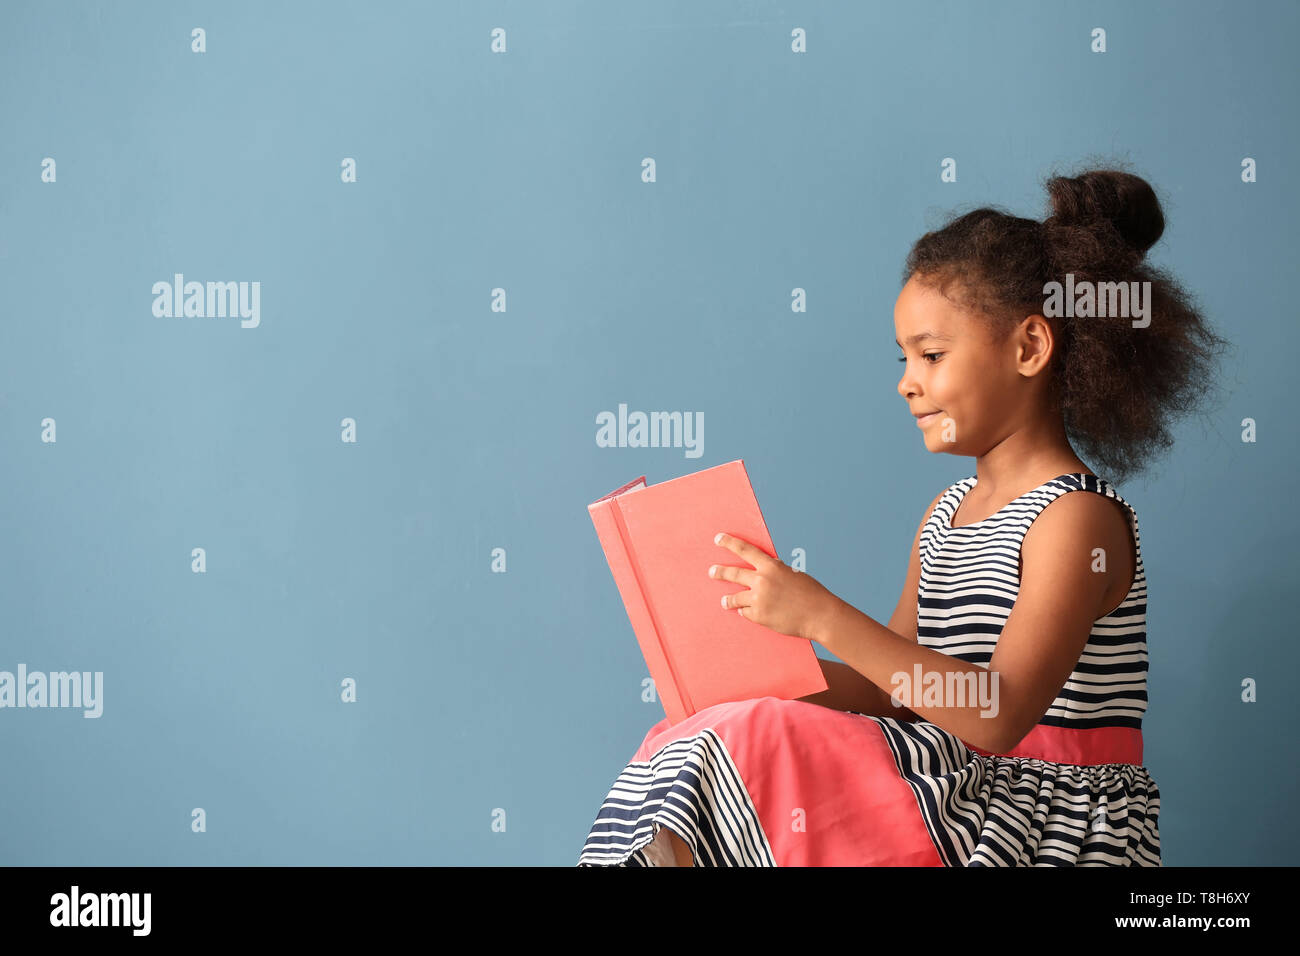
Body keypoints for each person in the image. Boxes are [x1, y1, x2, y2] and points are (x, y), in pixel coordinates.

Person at [577, 167, 1228, 866]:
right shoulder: (947, 514)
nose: (906, 381)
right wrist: (767, 676)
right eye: (904, 357)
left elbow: (1000, 714)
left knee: (752, 740)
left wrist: (823, 617)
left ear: (1030, 348)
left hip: (1045, 815)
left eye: (933, 354)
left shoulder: (1076, 520)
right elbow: (898, 692)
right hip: (961, 782)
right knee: (716, 729)